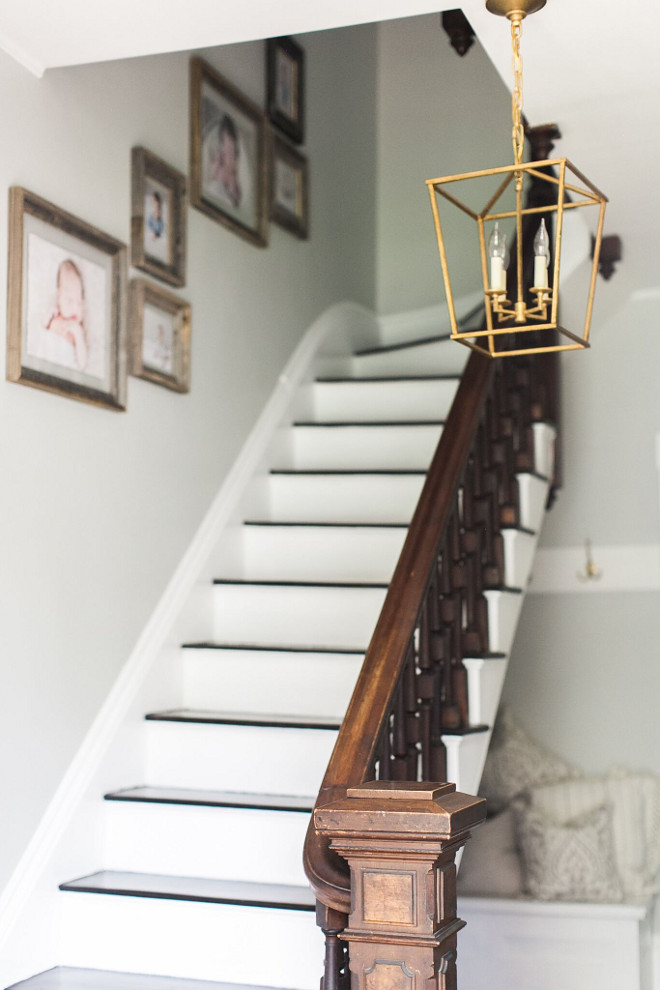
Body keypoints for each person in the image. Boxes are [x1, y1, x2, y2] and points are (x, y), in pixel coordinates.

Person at [42, 259, 87, 371]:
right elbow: (41, 333)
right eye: (69, 301)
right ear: (59, 297)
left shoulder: (77, 329)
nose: (75, 308)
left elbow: (82, 363)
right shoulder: (54, 317)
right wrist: (47, 318)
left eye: (79, 303)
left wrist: (78, 336)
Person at [210, 113, 242, 208]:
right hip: (219, 189)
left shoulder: (234, 158)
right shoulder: (218, 158)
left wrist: (233, 190)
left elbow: (236, 199)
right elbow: (214, 180)